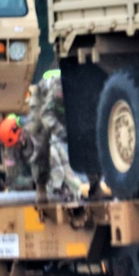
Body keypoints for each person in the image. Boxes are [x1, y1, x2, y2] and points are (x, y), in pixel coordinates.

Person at [27, 69, 84, 202]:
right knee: (40, 142)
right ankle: (41, 187)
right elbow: (46, 114)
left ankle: (95, 184)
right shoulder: (59, 88)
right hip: (43, 104)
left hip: (66, 110)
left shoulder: (85, 90)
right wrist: (60, 131)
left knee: (87, 138)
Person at [0, 113, 35, 191]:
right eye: (14, 144)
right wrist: (32, 182)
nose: (16, 146)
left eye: (17, 143)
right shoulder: (10, 146)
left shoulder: (36, 137)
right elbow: (12, 178)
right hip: (33, 179)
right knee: (14, 187)